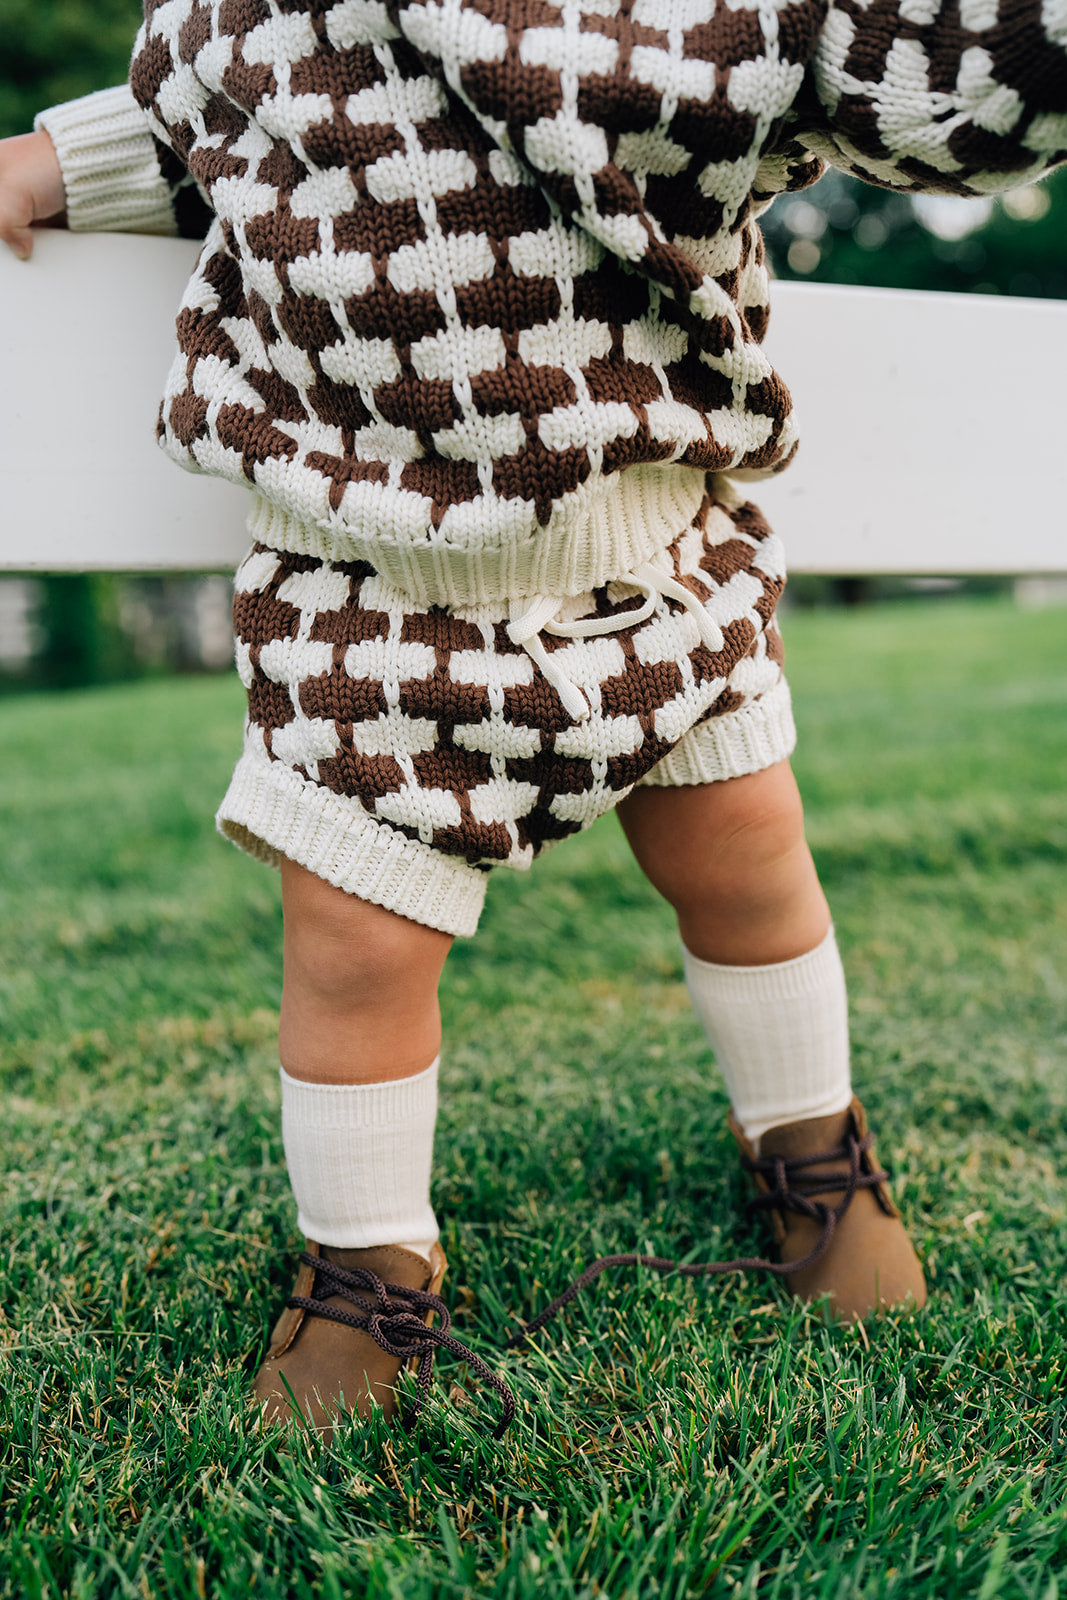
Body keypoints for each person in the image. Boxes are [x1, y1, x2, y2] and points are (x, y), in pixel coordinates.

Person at [0, 0, 1061, 1439]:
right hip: (369, 586)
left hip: (655, 564)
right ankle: (369, 1262)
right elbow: (202, 119)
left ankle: (813, 1151)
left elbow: (910, 78)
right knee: (356, 943)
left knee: (749, 862)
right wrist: (61, 159)